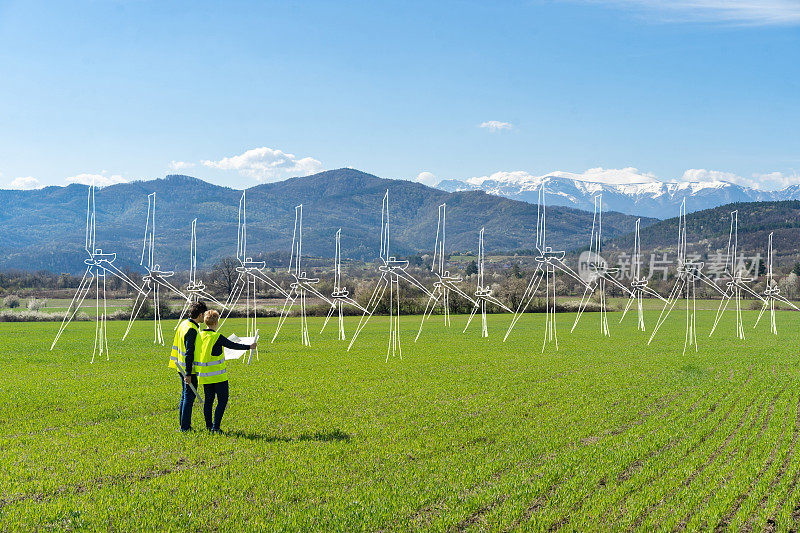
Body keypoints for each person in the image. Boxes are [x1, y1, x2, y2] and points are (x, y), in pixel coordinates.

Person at [195, 309, 257, 433]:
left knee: (208, 402)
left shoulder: (199, 335)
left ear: (206, 321)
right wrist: (249, 346)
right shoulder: (216, 336)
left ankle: (209, 426)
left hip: (204, 376)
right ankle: (216, 428)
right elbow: (232, 345)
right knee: (222, 401)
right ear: (216, 322)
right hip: (218, 376)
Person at [170, 301, 207, 432]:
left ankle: (182, 425)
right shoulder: (192, 329)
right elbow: (189, 353)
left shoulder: (184, 324)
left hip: (180, 365)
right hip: (187, 368)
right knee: (189, 397)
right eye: (204, 315)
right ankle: (185, 427)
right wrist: (188, 374)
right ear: (200, 314)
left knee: (185, 395)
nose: (205, 318)